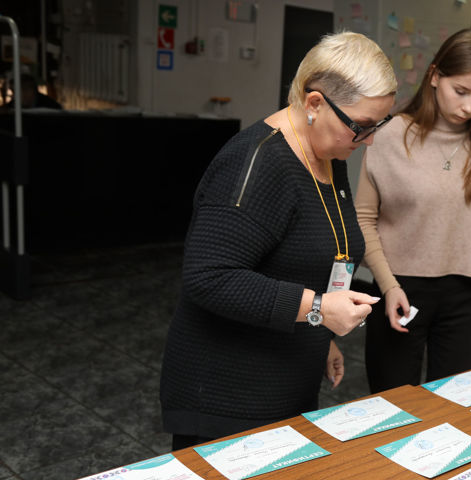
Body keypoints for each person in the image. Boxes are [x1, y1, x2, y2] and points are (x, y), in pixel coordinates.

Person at [159, 31, 396, 450]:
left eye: (378, 125)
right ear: (315, 103)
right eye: (361, 127)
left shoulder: (326, 153)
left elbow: (309, 257)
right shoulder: (257, 162)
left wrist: (318, 333)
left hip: (284, 381)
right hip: (228, 398)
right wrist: (319, 309)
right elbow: (209, 276)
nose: (370, 140)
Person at [355, 29, 471, 394]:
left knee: (454, 405)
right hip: (401, 289)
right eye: (461, 91)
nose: (470, 106)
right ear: (435, 76)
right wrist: (388, 286)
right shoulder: (390, 134)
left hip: (467, 293)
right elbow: (363, 218)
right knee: (392, 408)